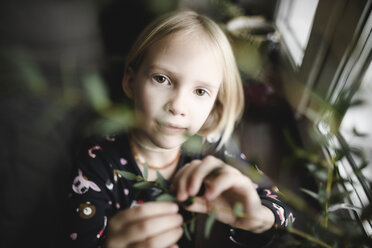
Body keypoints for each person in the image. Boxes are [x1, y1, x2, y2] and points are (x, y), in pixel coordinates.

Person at [67, 10, 295, 248]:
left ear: (214, 104)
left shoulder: (211, 146)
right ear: (131, 82)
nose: (177, 106)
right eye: (162, 79)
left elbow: (284, 211)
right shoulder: (96, 161)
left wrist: (258, 218)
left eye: (199, 91)